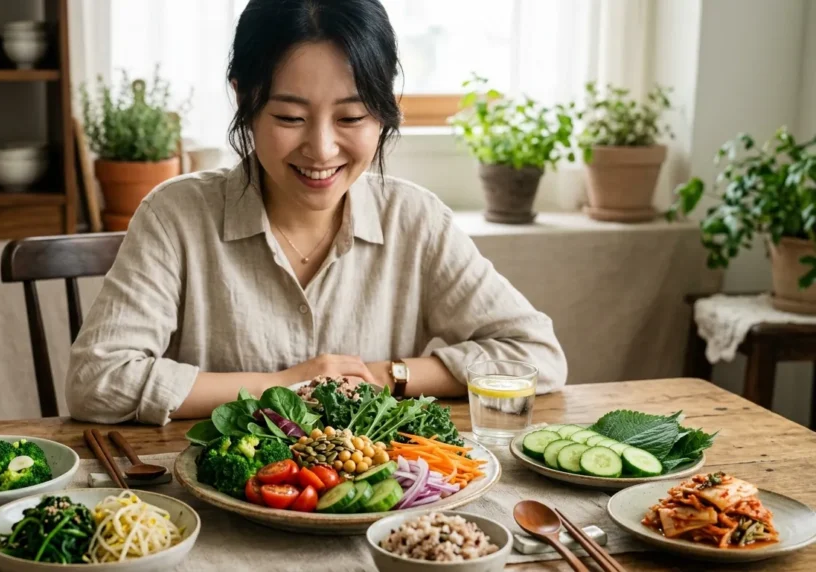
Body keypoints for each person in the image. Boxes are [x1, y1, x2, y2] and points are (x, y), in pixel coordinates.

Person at [66, 0, 567, 425]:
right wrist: (281, 387)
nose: (322, 148)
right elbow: (97, 380)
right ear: (244, 98)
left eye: (351, 117)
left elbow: (536, 357)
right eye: (290, 117)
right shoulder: (176, 215)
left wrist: (385, 375)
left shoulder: (415, 220)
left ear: (385, 109)